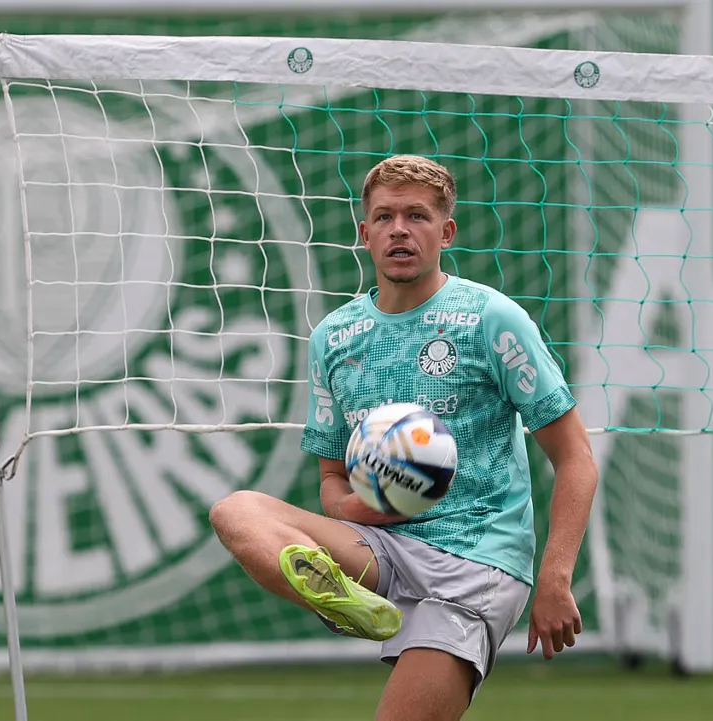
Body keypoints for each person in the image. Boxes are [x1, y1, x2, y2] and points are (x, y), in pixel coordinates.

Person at [209, 154, 600, 720]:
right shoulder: (334, 336)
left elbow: (576, 458)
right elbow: (330, 481)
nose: (400, 229)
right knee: (237, 509)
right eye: (386, 217)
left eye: (416, 216)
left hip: (475, 559)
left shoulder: (491, 318)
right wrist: (360, 508)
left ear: (446, 232)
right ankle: (350, 607)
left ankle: (381, 610)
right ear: (364, 234)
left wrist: (556, 578)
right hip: (382, 548)